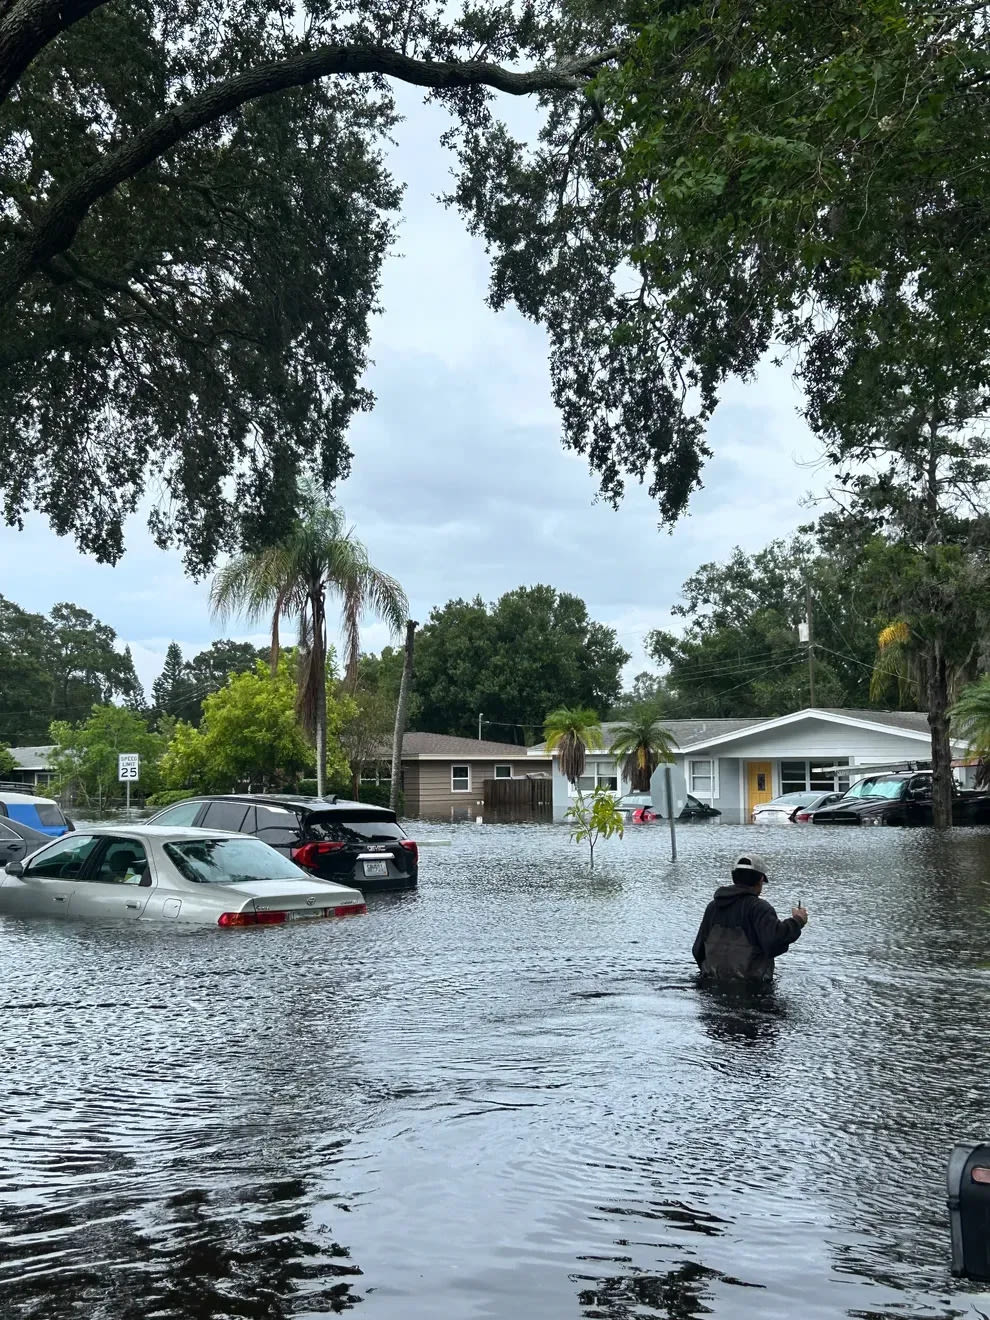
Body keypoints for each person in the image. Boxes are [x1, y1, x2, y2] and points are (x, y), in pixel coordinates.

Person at [692, 852, 808, 982]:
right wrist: (797, 921)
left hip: (711, 984)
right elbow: (774, 941)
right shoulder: (760, 908)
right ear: (760, 880)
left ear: (734, 877)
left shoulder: (712, 907)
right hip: (751, 987)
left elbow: (698, 950)